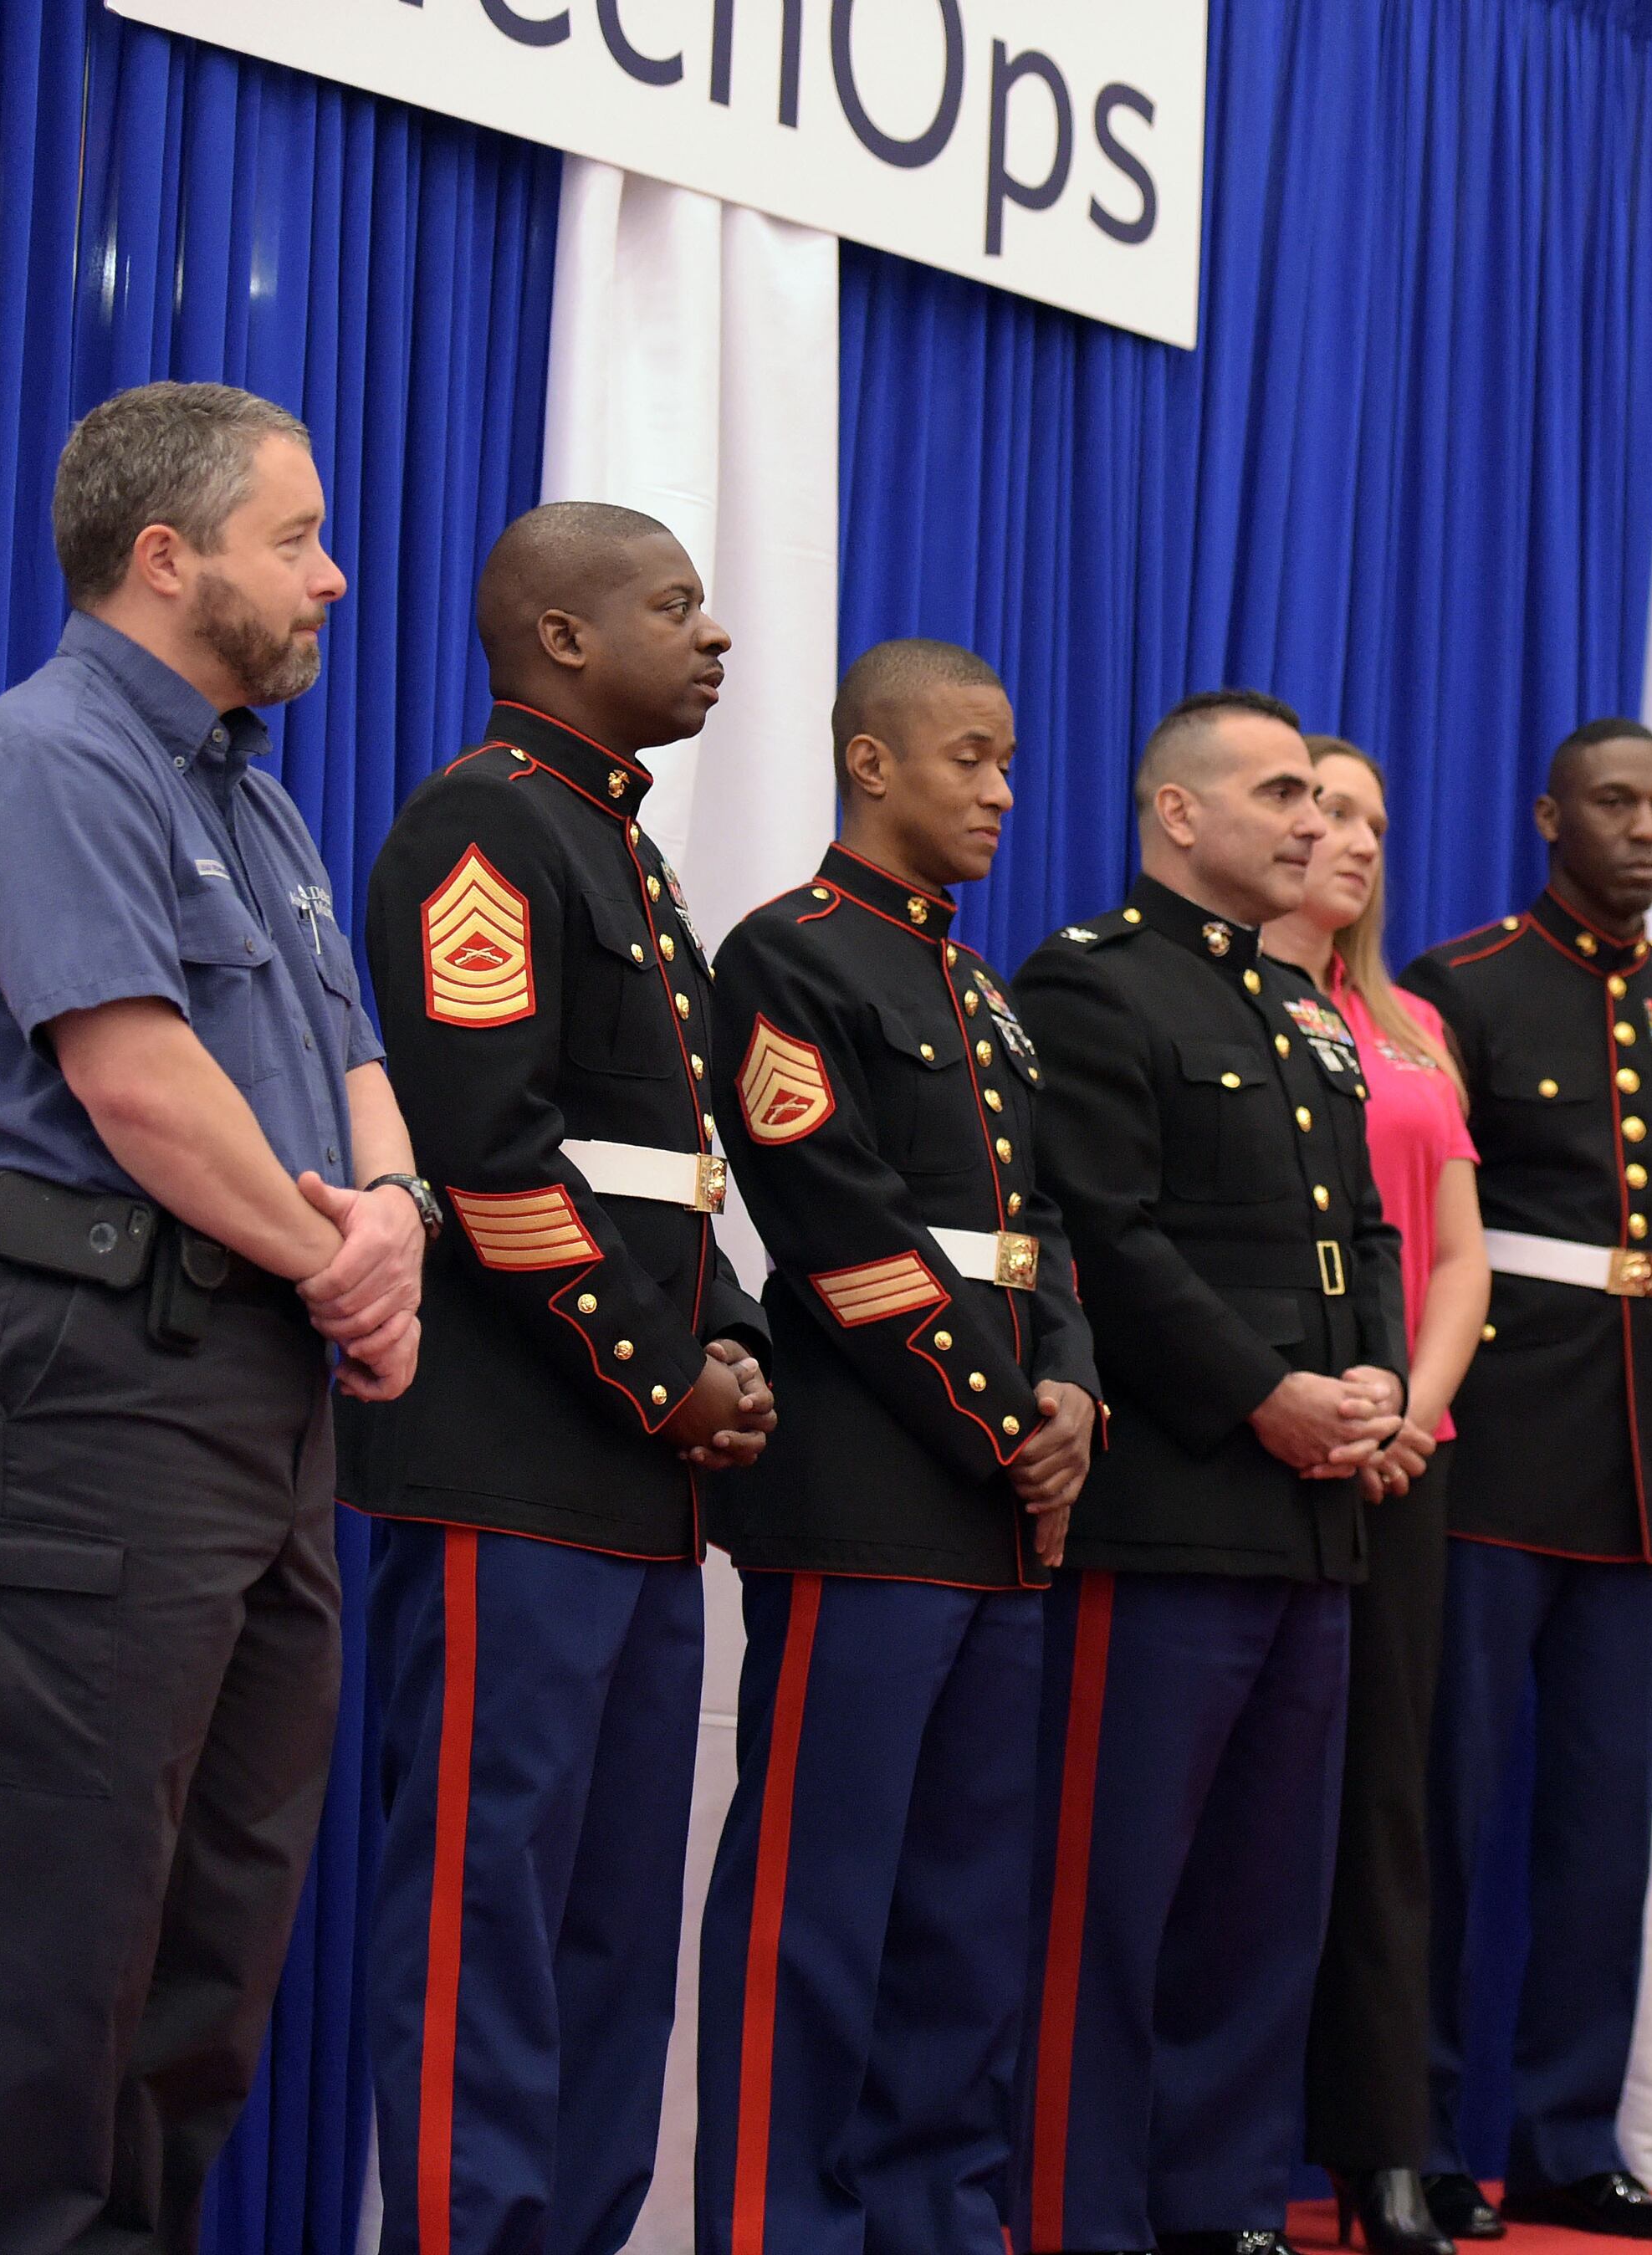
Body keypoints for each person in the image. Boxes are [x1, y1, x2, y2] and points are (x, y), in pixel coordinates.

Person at [0, 380, 425, 2255]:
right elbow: (135, 1079)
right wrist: (339, 1257)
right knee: (55, 1947)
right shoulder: (47, 758)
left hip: (253, 1397)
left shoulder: (258, 798)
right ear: (166, 556)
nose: (334, 577)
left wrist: (396, 1227)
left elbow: (356, 1066)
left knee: (213, 1945)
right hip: (84, 1390)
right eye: (296, 539)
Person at [350, 502, 778, 2255]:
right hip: (512, 1461)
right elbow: (493, 1161)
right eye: (676, 604)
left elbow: (663, 1171)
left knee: (612, 1917)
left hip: (633, 1471)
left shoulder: (626, 854)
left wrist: (734, 1339)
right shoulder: (487, 831)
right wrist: (661, 1370)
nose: (718, 633)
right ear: (563, 636)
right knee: (483, 1906)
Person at [695, 639, 1102, 2255]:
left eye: (1009, 761)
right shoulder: (787, 960)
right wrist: (1014, 1424)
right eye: (972, 759)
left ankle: (944, 2220)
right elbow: (841, 1233)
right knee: (819, 1911)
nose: (1004, 791)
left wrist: (1072, 1390)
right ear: (873, 762)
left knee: (965, 1918)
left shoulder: (980, 991)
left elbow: (1043, 1228)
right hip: (870, 1486)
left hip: (1002, 1505)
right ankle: (782, 2229)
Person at [1010, 690, 1407, 2255]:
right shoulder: (1091, 986)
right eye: (1282, 795)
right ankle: (1078, 2212)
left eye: (1321, 798)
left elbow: (1360, 1225)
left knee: (1266, 1898)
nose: (1316, 824)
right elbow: (1106, 1235)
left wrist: (1371, 1369)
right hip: (1172, 1512)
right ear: (1178, 814)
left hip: (1310, 1522)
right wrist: (1264, 1395)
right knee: (1111, 1904)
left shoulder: (1306, 1008)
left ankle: (1225, 2205)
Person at [1401, 720, 1652, 2246]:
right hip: (1485, 1448)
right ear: (1550, 815)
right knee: (1446, 1810)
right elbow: (1434, 1220)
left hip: (1632, 1459)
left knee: (1607, 1826)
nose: (1646, 828)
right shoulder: (1456, 989)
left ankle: (1566, 2139)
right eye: (1617, 801)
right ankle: (1409, 2134)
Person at [1267, 740, 1490, 2255]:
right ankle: (1215, 2147)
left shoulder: (1413, 1030)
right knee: (1248, 1807)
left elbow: (1463, 1253)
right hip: (1264, 1446)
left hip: (1405, 1456)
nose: (1352, 840)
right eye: (1324, 809)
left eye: (1373, 822)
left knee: (1392, 1809)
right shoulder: (1218, 1003)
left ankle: (1385, 2145)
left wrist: (1413, 1401)